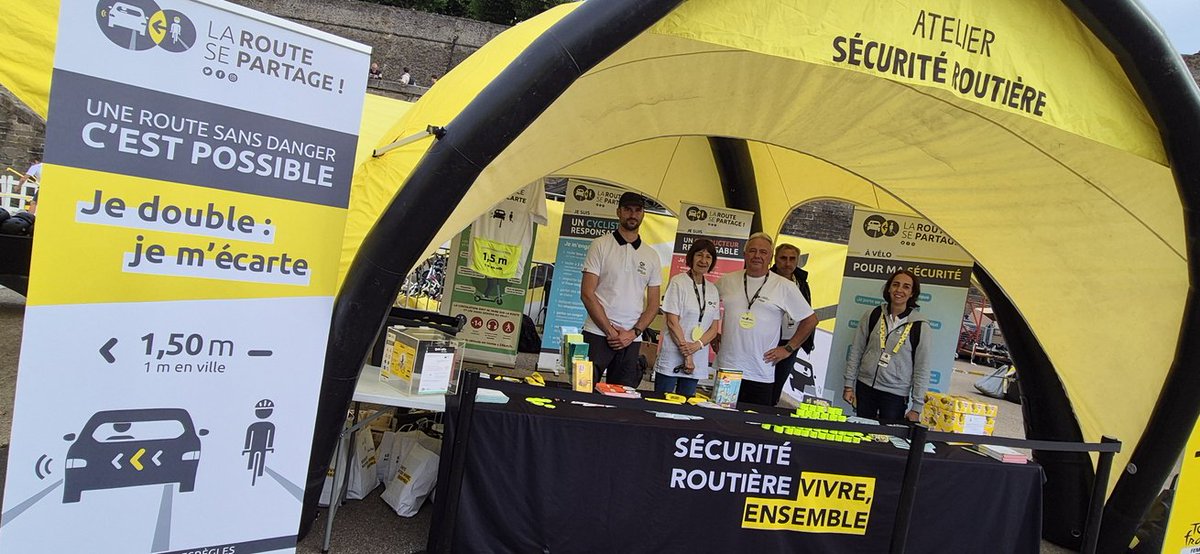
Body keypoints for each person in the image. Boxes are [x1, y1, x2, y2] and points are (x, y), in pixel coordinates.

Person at [715, 232, 817, 406]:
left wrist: (788, 348)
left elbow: (811, 320)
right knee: (721, 419)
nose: (757, 256)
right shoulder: (726, 281)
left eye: (763, 252)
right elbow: (706, 307)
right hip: (728, 369)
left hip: (761, 372)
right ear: (744, 254)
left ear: (770, 257)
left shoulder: (785, 286)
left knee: (754, 425)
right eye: (752, 251)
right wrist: (713, 335)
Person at [580, 191, 662, 387]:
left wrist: (633, 333)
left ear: (643, 214)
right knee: (583, 390)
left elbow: (653, 305)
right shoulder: (600, 245)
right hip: (597, 333)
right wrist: (610, 331)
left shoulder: (651, 256)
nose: (632, 215)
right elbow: (587, 293)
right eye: (627, 209)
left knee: (621, 400)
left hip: (630, 339)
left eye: (637, 210)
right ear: (618, 212)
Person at [843, 269, 932, 423]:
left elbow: (922, 368)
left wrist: (917, 407)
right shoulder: (872, 315)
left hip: (895, 395)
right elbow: (856, 351)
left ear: (912, 293)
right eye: (895, 284)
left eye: (906, 287)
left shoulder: (920, 325)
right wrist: (849, 386)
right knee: (861, 435)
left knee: (887, 441)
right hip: (865, 387)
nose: (899, 290)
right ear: (889, 288)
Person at [654, 239, 721, 396]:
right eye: (699, 255)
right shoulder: (678, 282)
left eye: (708, 257)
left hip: (697, 357)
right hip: (673, 355)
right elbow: (672, 321)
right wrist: (688, 354)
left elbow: (713, 328)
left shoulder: (713, 290)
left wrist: (697, 345)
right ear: (691, 257)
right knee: (661, 405)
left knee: (686, 408)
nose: (703, 260)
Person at [770, 242, 815, 404]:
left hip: (792, 340)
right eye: (783, 258)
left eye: (792, 259)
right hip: (769, 339)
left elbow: (808, 314)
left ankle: (771, 411)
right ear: (775, 259)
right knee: (764, 382)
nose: (787, 263)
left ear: (797, 261)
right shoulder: (767, 279)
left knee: (779, 381)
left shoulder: (802, 282)